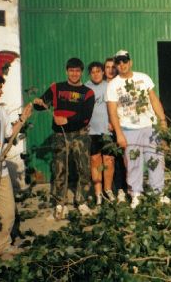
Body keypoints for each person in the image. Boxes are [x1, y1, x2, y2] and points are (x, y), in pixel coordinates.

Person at [106, 50, 170, 209]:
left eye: (124, 61)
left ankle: (158, 193)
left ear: (130, 62)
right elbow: (112, 112)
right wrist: (119, 133)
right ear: (116, 65)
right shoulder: (113, 85)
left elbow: (154, 100)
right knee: (133, 163)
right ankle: (136, 194)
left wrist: (162, 121)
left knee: (155, 159)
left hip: (150, 127)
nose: (122, 65)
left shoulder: (143, 78)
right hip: (128, 129)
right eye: (119, 62)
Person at [33, 58, 95, 218]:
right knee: (60, 170)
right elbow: (41, 105)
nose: (74, 73)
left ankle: (81, 201)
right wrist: (37, 103)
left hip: (80, 135)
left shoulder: (88, 93)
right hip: (60, 135)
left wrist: (68, 120)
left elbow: (86, 116)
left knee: (84, 169)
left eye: (77, 70)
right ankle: (60, 203)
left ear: (81, 72)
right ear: (66, 71)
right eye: (71, 70)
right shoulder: (56, 88)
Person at [0, 72, 32, 260]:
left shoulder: (0, 111)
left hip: (0, 172)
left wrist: (22, 119)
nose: (1, 92)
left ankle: (2, 245)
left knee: (8, 213)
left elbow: (8, 135)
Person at [85, 62, 115, 205]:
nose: (96, 74)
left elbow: (114, 107)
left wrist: (113, 123)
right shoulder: (85, 88)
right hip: (91, 131)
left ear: (103, 72)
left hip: (107, 131)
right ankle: (98, 193)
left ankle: (108, 190)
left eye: (98, 71)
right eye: (93, 72)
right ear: (89, 74)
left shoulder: (109, 86)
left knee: (108, 160)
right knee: (95, 160)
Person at [105, 57, 127, 203]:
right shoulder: (101, 86)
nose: (111, 70)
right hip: (105, 131)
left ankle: (122, 189)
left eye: (113, 67)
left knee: (122, 160)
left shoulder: (121, 85)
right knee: (107, 161)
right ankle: (106, 191)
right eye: (107, 67)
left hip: (121, 127)